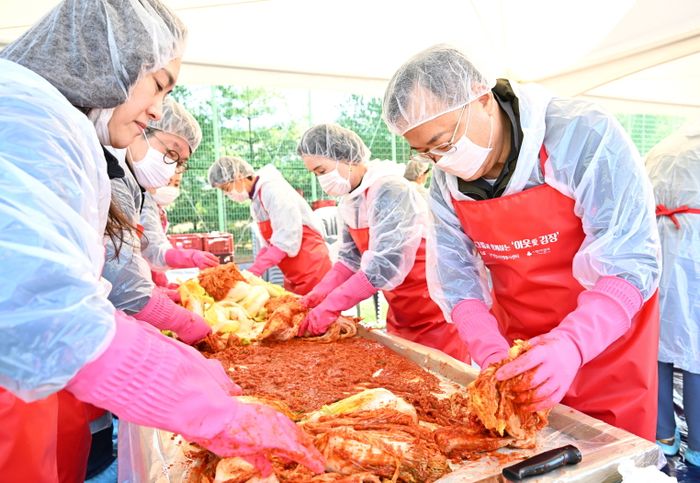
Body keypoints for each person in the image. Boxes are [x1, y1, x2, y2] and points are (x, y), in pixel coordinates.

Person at [0, 1, 324, 481]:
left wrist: (177, 357)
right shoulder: (25, 118)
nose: (156, 109)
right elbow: (38, 305)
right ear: (107, 58)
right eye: (158, 84)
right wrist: (201, 406)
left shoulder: (42, 117)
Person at [382, 45, 661, 441]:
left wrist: (571, 345)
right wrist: (490, 352)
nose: (440, 161)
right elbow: (456, 280)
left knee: (609, 454)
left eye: (443, 142)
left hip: (606, 343)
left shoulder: (580, 134)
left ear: (481, 97)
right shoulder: (447, 185)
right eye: (425, 152)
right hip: (519, 347)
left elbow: (630, 262)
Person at [296, 123, 469, 361]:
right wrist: (318, 294)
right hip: (400, 309)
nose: (321, 180)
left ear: (345, 156)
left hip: (433, 310)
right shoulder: (350, 201)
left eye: (322, 170)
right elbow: (349, 260)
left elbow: (384, 266)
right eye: (316, 174)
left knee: (444, 375)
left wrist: (332, 306)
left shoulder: (390, 189)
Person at [646, 121, 700, 465]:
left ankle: (662, 433)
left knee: (656, 344)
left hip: (656, 245)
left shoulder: (664, 147)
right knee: (697, 349)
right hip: (694, 253)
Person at [208, 156, 332, 295]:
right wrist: (254, 268)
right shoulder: (256, 200)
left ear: (238, 176)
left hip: (312, 266)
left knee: (317, 306)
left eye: (226, 188)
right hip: (292, 273)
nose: (227, 194)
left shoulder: (273, 190)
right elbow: (270, 244)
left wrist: (256, 269)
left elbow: (287, 235)